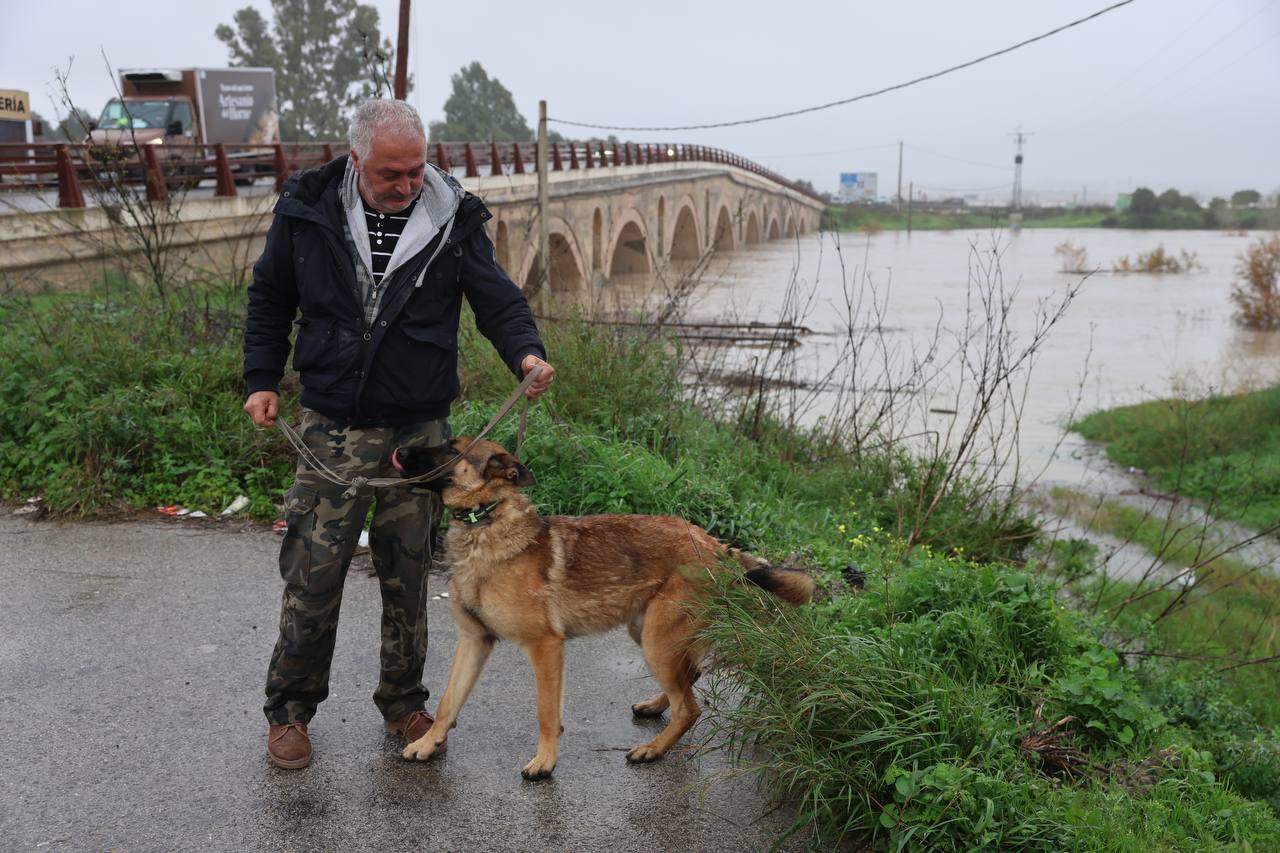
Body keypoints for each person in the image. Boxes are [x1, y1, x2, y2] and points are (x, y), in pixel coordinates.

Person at [242, 98, 554, 770]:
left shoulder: (454, 218)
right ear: (356, 160)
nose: (406, 183)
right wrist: (261, 378)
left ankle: (405, 700)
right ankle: (290, 710)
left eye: (415, 170)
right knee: (313, 572)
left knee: (408, 571)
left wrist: (526, 353)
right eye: (391, 172)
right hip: (332, 427)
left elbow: (496, 298)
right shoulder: (308, 207)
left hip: (421, 434)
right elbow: (270, 296)